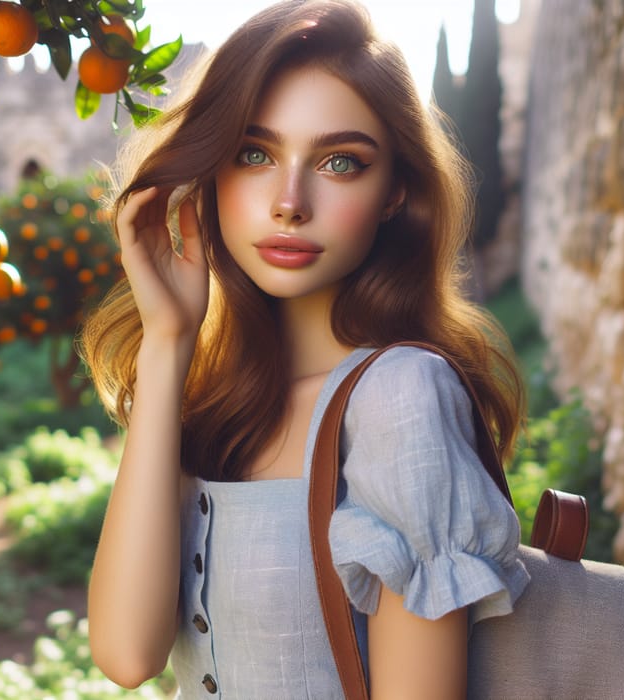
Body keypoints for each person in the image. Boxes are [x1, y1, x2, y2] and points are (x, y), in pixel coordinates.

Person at [80, 0, 530, 696]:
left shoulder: (401, 397)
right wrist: (170, 341)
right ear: (211, 174)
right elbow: (125, 654)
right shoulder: (214, 395)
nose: (289, 200)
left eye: (340, 162)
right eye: (254, 154)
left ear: (393, 194)